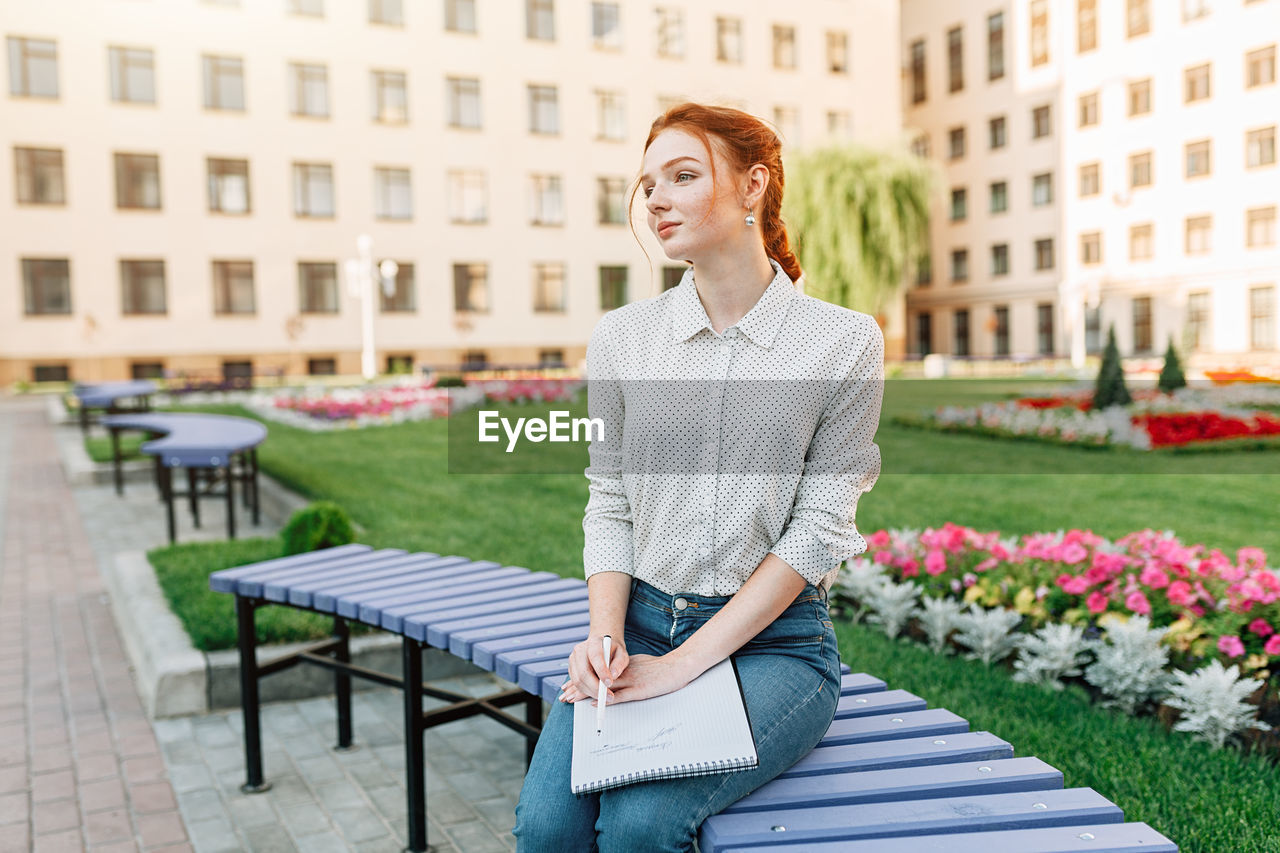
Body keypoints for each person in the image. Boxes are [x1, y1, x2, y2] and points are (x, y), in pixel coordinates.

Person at [511, 102, 885, 853]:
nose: (655, 199)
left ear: (754, 187)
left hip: (778, 648)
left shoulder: (843, 342)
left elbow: (820, 529)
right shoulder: (622, 338)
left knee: (641, 829)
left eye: (683, 175)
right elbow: (609, 499)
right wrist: (605, 635)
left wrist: (680, 667)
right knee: (547, 829)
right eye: (649, 182)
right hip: (641, 620)